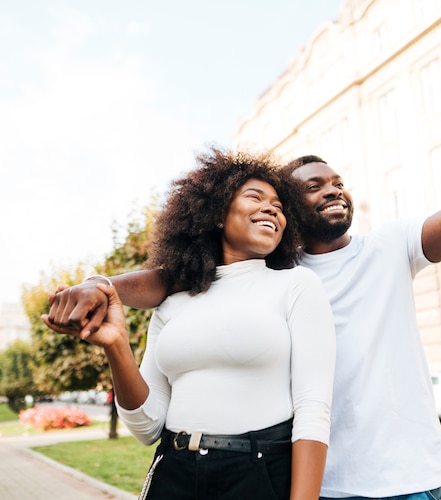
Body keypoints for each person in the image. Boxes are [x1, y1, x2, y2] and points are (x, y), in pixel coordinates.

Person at [45, 33, 441, 499]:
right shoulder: (266, 273)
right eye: (312, 186)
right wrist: (98, 288)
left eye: (337, 180)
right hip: (300, 477)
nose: (333, 188)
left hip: (402, 480)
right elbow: (166, 282)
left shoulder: (387, 247)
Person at [43, 148, 336, 500]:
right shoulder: (172, 302)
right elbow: (147, 426)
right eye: (255, 196)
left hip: (257, 473)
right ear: (216, 214)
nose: (273, 208)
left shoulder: (296, 285)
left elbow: (313, 408)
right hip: (173, 470)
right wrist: (117, 345)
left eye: (279, 205)